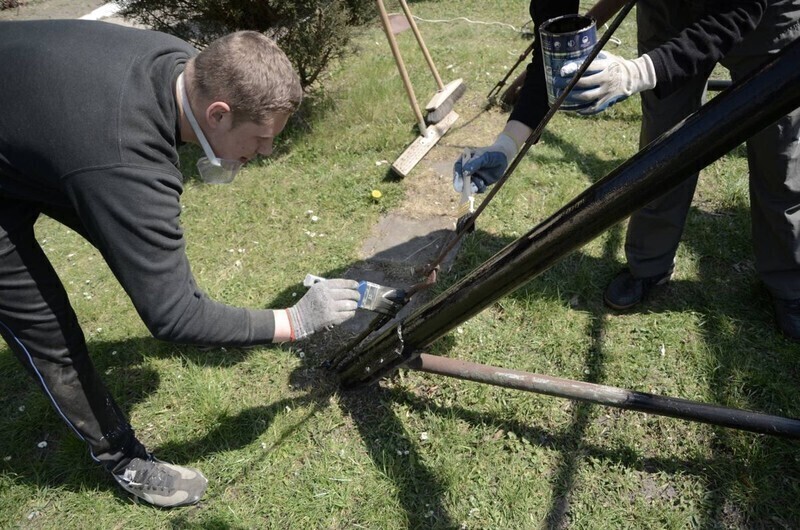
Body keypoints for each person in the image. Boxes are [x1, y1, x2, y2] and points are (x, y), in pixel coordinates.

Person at [0, 20, 361, 507]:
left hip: (35, 129)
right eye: (259, 138)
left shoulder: (185, 64)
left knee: (144, 259)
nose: (267, 151)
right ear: (217, 113)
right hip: (46, 138)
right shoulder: (125, 157)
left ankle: (209, 323)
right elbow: (169, 318)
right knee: (46, 328)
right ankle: (122, 459)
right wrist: (295, 321)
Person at [453, 0, 800, 341]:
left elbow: (740, 9)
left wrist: (639, 73)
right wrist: (508, 142)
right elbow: (552, 46)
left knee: (778, 149)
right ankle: (650, 266)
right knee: (663, 148)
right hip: (667, 11)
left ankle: (790, 280)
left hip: (764, 11)